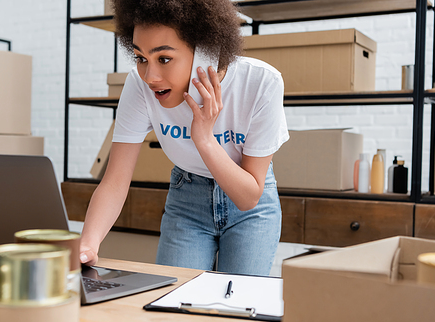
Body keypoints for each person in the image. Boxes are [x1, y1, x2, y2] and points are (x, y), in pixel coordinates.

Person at [79, 0, 289, 276]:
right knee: (173, 302)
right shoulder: (139, 86)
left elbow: (248, 197)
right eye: (141, 58)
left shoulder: (261, 83)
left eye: (164, 59)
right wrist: (87, 246)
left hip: (251, 208)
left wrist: (204, 140)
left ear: (206, 52)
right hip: (186, 198)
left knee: (238, 309)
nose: (150, 76)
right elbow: (115, 181)